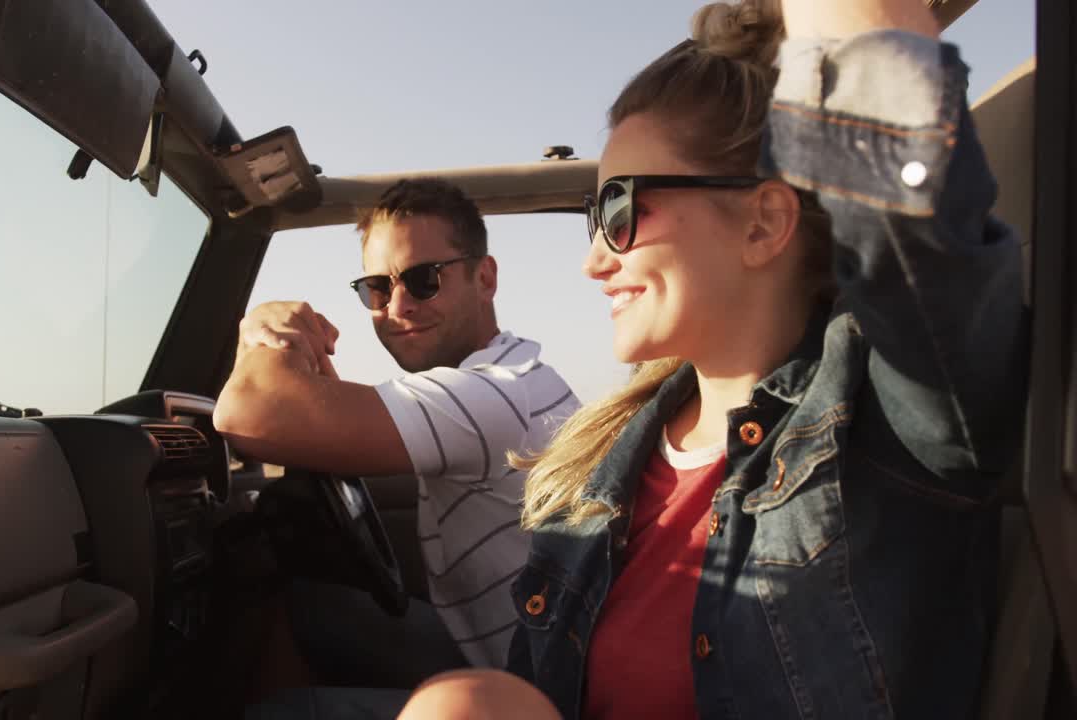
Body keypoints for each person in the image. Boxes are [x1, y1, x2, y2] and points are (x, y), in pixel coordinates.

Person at [396, 0, 1028, 718]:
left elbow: (906, 186)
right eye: (591, 217)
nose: (594, 261)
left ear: (763, 222)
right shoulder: (599, 464)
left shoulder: (890, 426)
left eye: (620, 210)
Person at [214, 177, 581, 716]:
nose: (399, 306)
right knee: (302, 605)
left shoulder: (487, 397)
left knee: (283, 713)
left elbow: (246, 414)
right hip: (507, 652)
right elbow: (325, 414)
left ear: (485, 277)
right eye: (377, 289)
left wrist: (259, 331)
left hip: (530, 688)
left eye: (423, 279)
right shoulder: (509, 374)